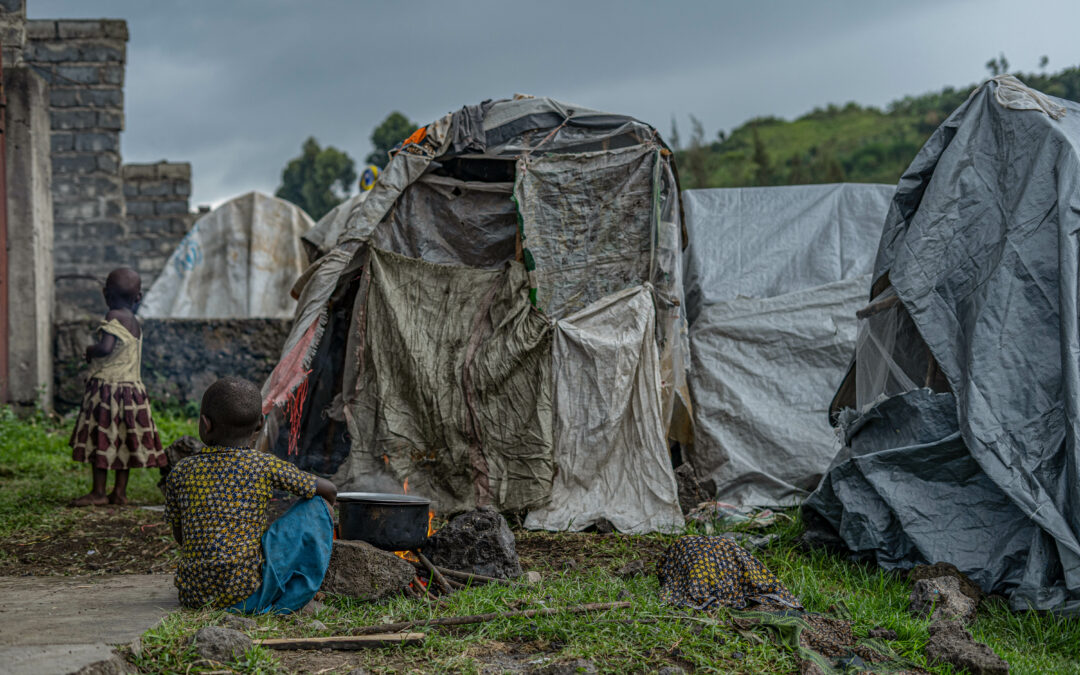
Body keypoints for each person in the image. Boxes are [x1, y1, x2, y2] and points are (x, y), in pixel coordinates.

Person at [164, 377, 337, 613]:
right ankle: (291, 594)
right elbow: (329, 490)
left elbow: (181, 536)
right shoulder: (263, 465)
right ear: (260, 425)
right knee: (318, 506)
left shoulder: (180, 470)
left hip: (194, 595)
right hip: (248, 595)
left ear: (205, 424)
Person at [69, 267, 166, 506]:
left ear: (105, 293)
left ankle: (99, 492)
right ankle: (120, 493)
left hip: (108, 391)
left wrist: (90, 350)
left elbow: (105, 347)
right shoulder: (135, 322)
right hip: (132, 391)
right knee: (125, 440)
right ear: (138, 297)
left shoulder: (113, 316)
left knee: (101, 438)